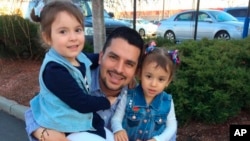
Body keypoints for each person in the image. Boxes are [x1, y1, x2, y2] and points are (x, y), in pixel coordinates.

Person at [24, 12, 145, 141]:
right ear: (101, 56)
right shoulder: (73, 76)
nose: (119, 69)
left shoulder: (142, 100)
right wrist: (41, 132)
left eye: (129, 64)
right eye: (113, 57)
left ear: (136, 70)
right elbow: (38, 107)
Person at [26, 1, 116, 141]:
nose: (73, 37)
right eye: (63, 31)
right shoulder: (54, 71)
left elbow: (95, 58)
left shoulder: (77, 57)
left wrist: (109, 58)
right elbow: (81, 103)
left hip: (78, 123)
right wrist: (106, 102)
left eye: (78, 30)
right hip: (65, 128)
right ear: (48, 37)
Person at [111, 47, 179, 141]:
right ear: (140, 73)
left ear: (168, 81)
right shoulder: (129, 97)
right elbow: (116, 118)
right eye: (149, 76)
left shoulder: (167, 101)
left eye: (161, 79)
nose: (153, 84)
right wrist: (118, 130)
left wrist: (158, 139)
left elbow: (172, 126)